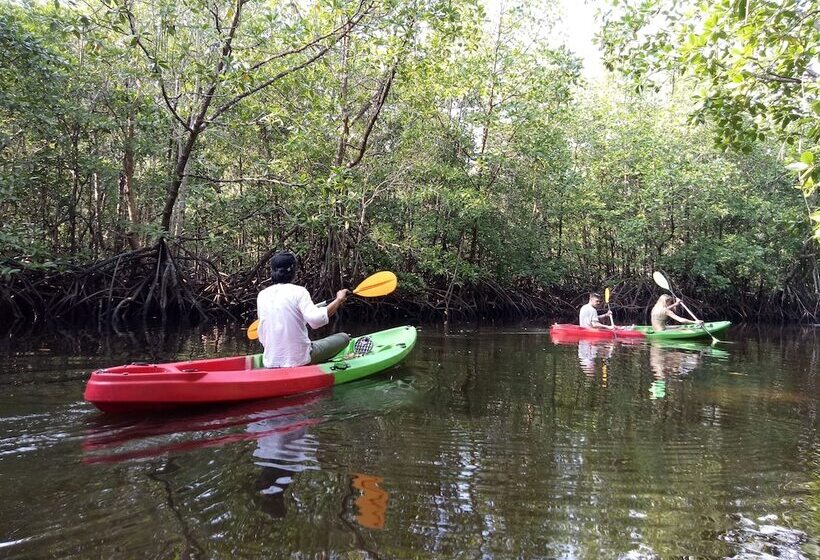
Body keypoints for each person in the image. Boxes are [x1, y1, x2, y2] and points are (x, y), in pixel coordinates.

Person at [257, 251, 350, 368]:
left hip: (270, 360)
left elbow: (262, 335)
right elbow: (316, 321)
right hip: (299, 359)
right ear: (294, 271)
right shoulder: (299, 291)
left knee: (312, 343)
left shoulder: (262, 295)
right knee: (344, 337)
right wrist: (338, 300)